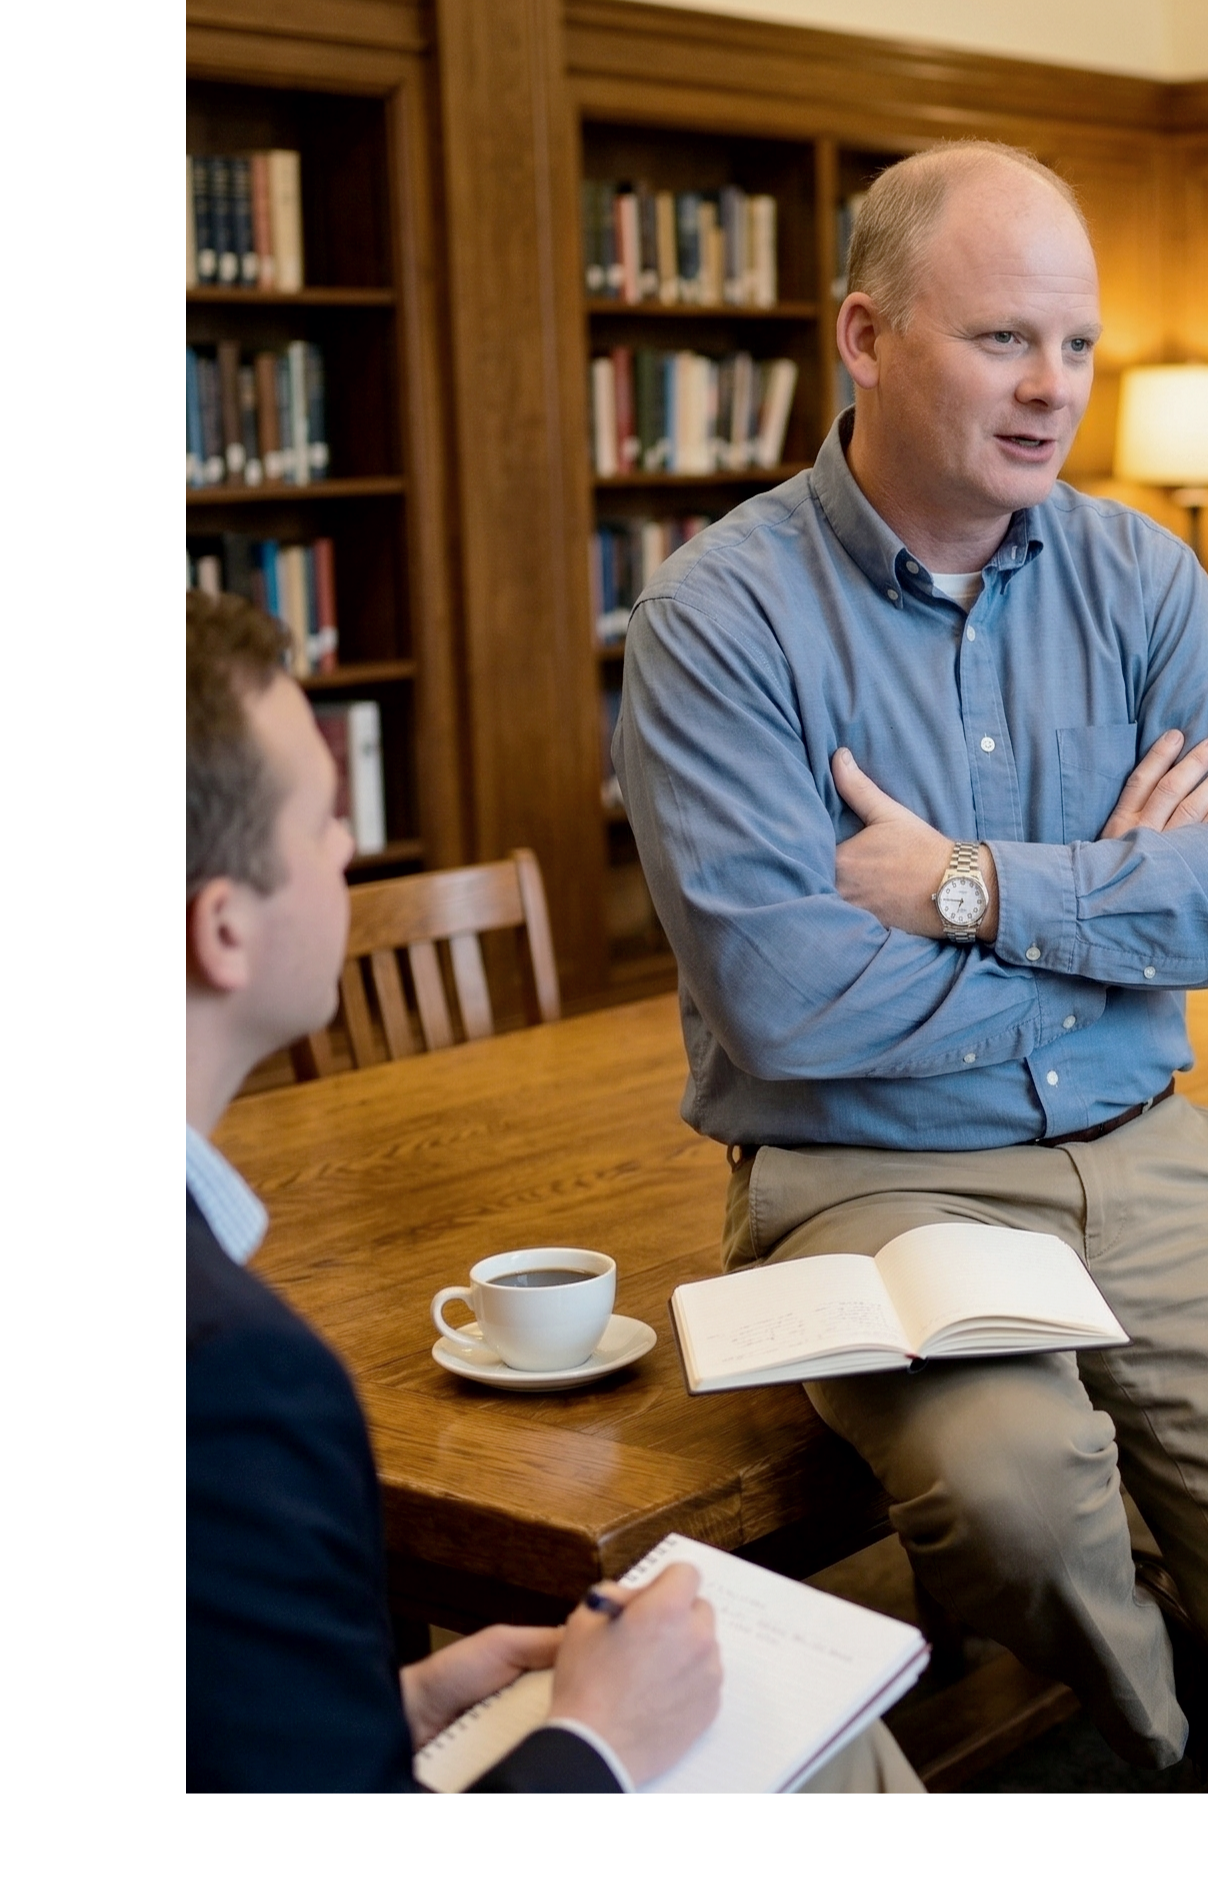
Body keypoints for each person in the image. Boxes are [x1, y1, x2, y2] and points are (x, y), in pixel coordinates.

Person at [616, 140, 1208, 1792]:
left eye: (1076, 344)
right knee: (1019, 1502)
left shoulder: (1140, 578)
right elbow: (786, 998)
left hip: (1150, 1165)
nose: (1051, 388)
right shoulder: (720, 623)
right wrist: (1126, 924)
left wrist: (975, 887)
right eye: (1003, 338)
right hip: (871, 1183)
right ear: (862, 337)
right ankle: (1165, 1758)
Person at [186, 591, 920, 1794]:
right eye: (322, 821)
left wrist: (391, 1699)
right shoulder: (234, 1381)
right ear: (223, 932)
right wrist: (595, 1743)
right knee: (839, 1748)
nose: (347, 853)